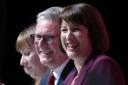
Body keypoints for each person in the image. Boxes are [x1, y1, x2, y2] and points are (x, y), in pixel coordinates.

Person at [60, 3, 126, 85]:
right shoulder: (70, 77)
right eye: (64, 30)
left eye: (75, 29)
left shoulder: (103, 65)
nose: (68, 37)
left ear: (93, 32)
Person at [31, 6, 74, 85]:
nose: (40, 44)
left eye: (48, 37)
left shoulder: (79, 76)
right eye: (37, 36)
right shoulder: (45, 79)